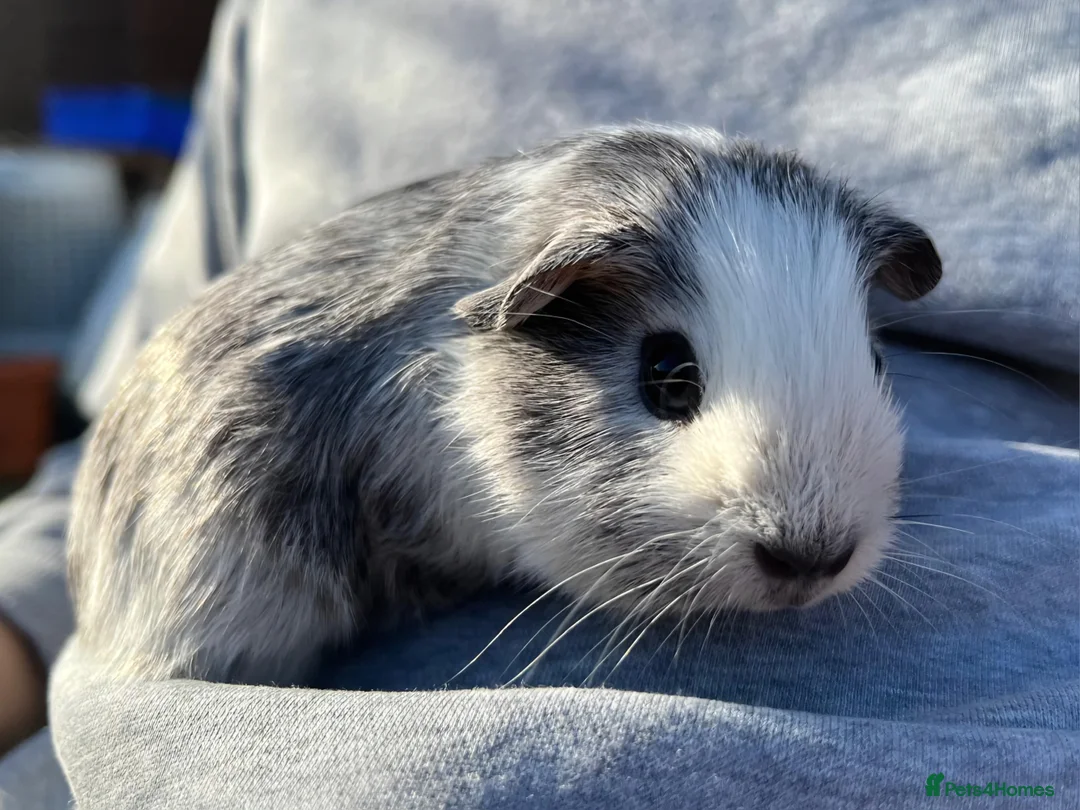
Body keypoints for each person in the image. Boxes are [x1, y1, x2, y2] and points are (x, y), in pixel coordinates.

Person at [2, 0, 1077, 806]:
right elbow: (100, 454)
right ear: (546, 302)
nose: (813, 542)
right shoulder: (283, 29)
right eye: (671, 381)